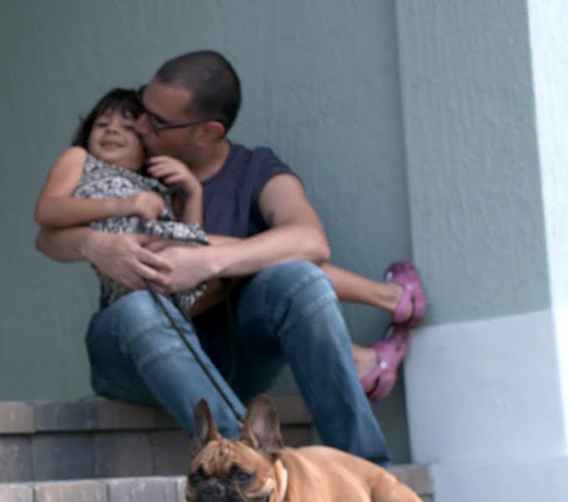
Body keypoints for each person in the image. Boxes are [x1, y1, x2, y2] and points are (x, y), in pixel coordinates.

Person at [35, 51, 409, 466]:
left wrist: (207, 261)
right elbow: (47, 237)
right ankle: (249, 467)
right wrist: (93, 245)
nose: (139, 125)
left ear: (207, 132)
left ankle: (368, 475)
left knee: (301, 278)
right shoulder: (135, 168)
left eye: (154, 121)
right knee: (139, 308)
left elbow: (310, 239)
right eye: (142, 107)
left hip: (231, 356)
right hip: (132, 355)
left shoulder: (254, 170)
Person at [35, 88, 208, 315]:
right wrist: (122, 205)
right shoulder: (81, 159)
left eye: (128, 127)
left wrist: (194, 192)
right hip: (127, 297)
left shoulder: (156, 187)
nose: (112, 130)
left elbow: (191, 241)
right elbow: (47, 210)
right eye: (102, 124)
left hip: (173, 293)